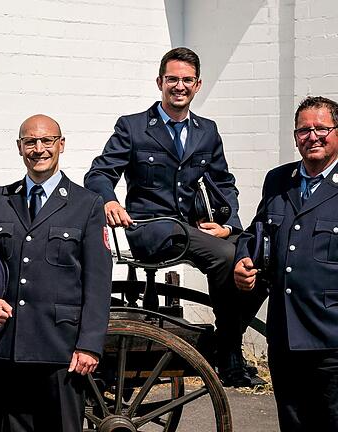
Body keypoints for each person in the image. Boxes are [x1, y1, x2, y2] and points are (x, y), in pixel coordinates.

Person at [83, 47, 265, 387]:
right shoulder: (134, 127)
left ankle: (225, 339)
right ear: (160, 82)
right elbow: (98, 174)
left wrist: (228, 226)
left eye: (186, 80)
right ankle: (229, 354)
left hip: (193, 230)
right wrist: (108, 200)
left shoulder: (207, 131)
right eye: (172, 79)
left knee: (259, 254)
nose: (178, 86)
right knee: (227, 257)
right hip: (151, 229)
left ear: (197, 86)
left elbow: (224, 183)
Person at [0, 115, 112, 432]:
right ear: (19, 147)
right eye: (30, 141)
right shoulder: (0, 199)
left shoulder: (87, 204)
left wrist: (89, 345)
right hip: (10, 347)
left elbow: (98, 282)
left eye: (46, 141)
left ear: (61, 145)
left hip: (61, 349)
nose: (38, 148)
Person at [234, 96, 338, 431]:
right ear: (295, 136)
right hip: (285, 337)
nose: (313, 136)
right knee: (293, 425)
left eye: (321, 128)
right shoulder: (280, 180)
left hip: (331, 339)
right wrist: (244, 258)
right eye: (304, 130)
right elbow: (257, 231)